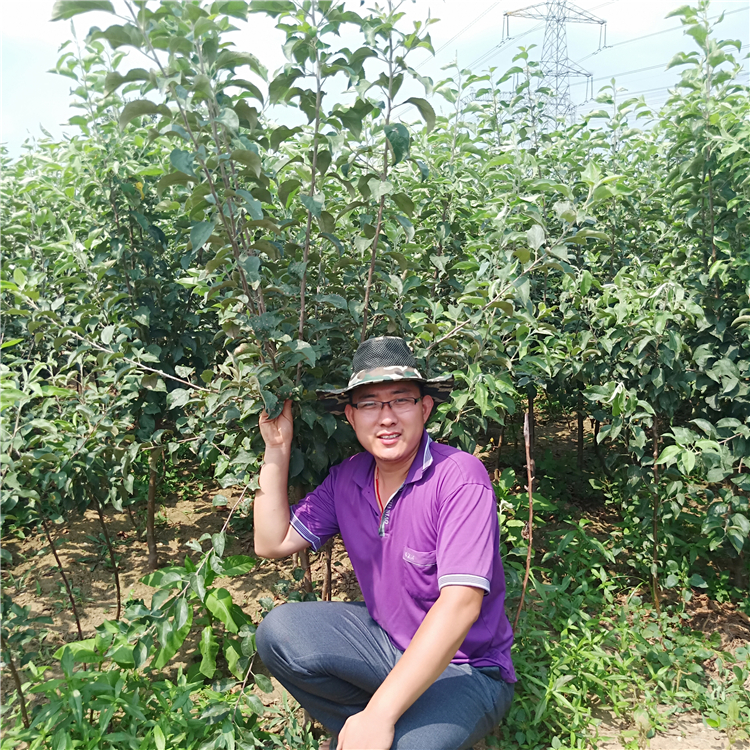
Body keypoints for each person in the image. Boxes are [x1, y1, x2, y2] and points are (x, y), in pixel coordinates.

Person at [254, 336, 516, 750]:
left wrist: (379, 714)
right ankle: (377, 723)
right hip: (387, 643)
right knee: (280, 632)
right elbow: (272, 542)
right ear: (351, 416)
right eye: (370, 404)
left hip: (466, 667)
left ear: (425, 408)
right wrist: (276, 448)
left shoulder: (459, 478)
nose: (387, 417)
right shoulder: (348, 478)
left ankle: (393, 720)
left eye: (401, 400)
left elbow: (461, 604)